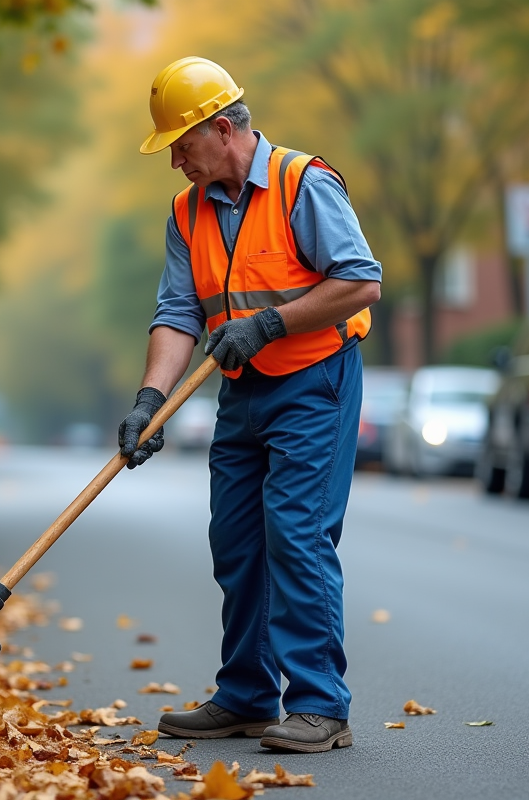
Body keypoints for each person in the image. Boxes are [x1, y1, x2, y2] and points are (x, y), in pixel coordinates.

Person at [118, 57, 382, 753]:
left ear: (225, 129)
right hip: (245, 390)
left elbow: (360, 282)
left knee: (295, 534)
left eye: (181, 143)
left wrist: (268, 324)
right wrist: (151, 401)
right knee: (235, 541)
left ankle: (322, 706)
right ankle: (246, 694)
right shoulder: (187, 210)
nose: (174, 160)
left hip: (314, 382)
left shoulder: (304, 184)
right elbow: (178, 312)